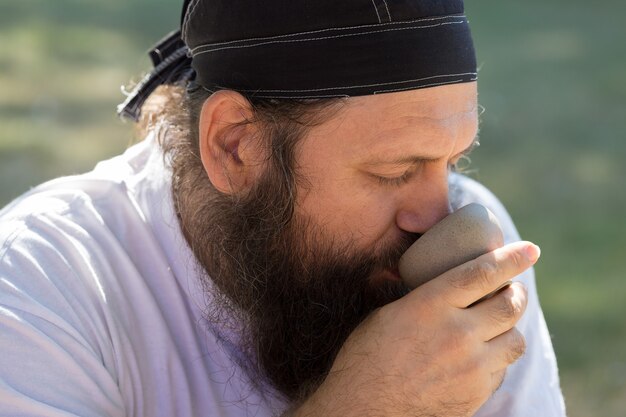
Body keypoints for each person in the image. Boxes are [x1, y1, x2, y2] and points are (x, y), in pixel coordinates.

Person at [0, 1, 566, 416]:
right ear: (235, 145)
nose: (442, 216)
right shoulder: (38, 282)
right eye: (394, 172)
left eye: (450, 163)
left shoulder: (463, 246)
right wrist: (366, 405)